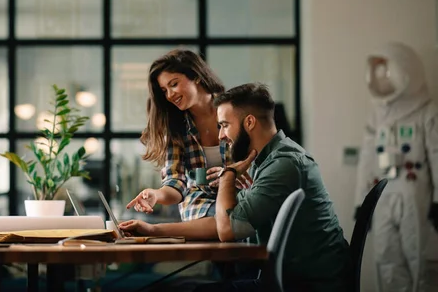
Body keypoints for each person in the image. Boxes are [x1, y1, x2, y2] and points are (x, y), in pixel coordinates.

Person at [121, 83, 351, 292]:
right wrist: (153, 230)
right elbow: (224, 222)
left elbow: (227, 229)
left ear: (249, 122)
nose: (221, 135)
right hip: (290, 275)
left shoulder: (284, 165)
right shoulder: (265, 161)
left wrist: (228, 174)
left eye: (224, 125)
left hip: (308, 283)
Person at [126, 49, 248, 222]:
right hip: (201, 206)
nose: (169, 95)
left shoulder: (236, 110)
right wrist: (156, 195)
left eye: (174, 84)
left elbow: (256, 160)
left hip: (242, 197)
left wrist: (229, 176)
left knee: (243, 216)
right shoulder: (175, 127)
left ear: (196, 76)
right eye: (164, 90)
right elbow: (176, 183)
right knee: (227, 219)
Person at [354, 42, 438, 292]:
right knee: (386, 257)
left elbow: (437, 155)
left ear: (405, 71)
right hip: (383, 193)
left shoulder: (427, 112)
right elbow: (367, 158)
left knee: (418, 257)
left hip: (414, 192)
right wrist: (361, 202)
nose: (382, 77)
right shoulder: (377, 115)